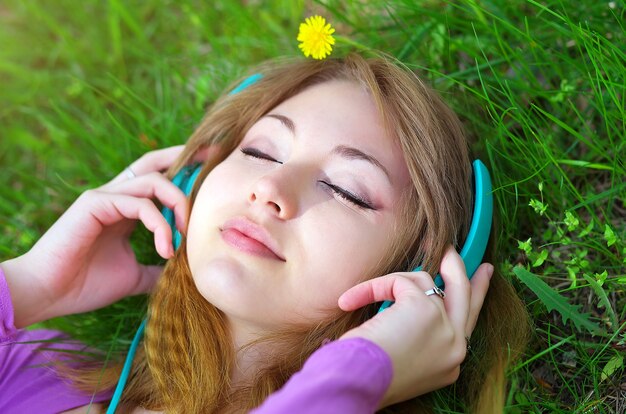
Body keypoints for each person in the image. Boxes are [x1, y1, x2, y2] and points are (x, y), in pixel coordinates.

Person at [0, 53, 528, 413]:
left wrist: (367, 368)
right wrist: (30, 286)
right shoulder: (44, 376)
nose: (270, 185)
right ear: (190, 184)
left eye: (347, 189)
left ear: (417, 275)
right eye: (259, 151)